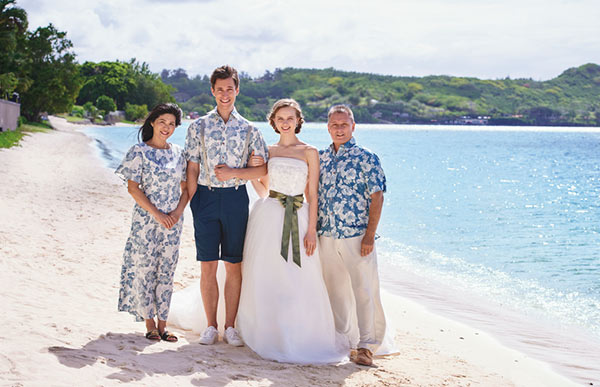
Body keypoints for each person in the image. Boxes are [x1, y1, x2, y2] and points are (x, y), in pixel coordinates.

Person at [235, 98, 348, 363]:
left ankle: (297, 332)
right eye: (280, 118)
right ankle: (265, 329)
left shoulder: (310, 152)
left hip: (299, 216)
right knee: (267, 272)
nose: (286, 123)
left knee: (299, 274)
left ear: (298, 121)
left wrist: (311, 230)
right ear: (273, 122)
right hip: (269, 216)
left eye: (290, 118)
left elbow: (313, 193)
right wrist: (252, 173)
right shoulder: (268, 150)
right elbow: (263, 188)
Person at [185, 65, 268, 347]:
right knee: (207, 265)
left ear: (237, 90)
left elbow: (262, 170)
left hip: (235, 199)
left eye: (229, 89)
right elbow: (192, 168)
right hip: (204, 199)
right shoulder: (198, 127)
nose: (224, 94)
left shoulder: (250, 130)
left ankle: (230, 327)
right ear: (212, 91)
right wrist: (192, 204)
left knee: (234, 265)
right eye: (219, 89)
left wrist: (235, 172)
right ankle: (211, 326)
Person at [318, 104, 387, 366]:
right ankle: (342, 342)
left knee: (364, 290)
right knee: (335, 291)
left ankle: (367, 345)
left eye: (343, 124)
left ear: (353, 126)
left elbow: (377, 197)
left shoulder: (367, 157)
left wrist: (370, 235)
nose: (339, 129)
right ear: (328, 127)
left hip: (357, 236)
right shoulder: (321, 157)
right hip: (326, 235)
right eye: (334, 125)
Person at [115, 103, 188, 342]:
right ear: (152, 123)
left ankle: (164, 325)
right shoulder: (139, 151)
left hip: (173, 222)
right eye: (162, 122)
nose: (166, 127)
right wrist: (157, 214)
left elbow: (186, 188)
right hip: (146, 221)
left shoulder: (179, 153)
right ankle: (149, 324)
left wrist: (177, 213)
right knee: (146, 269)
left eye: (171, 124)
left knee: (166, 270)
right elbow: (133, 189)